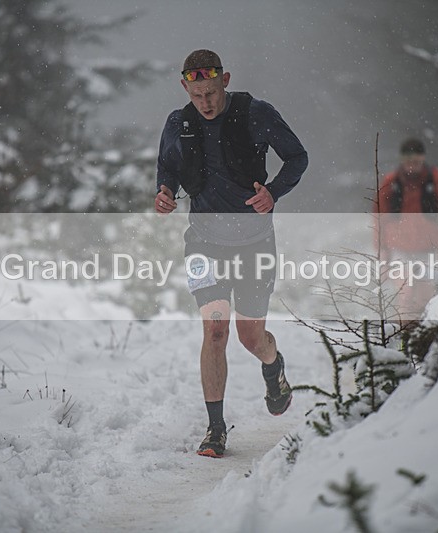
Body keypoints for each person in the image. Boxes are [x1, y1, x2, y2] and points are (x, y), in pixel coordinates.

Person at [155, 49, 308, 458]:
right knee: (215, 330)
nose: (204, 102)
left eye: (210, 92)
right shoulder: (178, 122)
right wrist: (165, 192)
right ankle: (216, 429)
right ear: (185, 87)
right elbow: (167, 169)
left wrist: (273, 192)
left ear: (225, 81)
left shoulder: (256, 113)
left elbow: (297, 157)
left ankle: (273, 367)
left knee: (250, 336)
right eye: (196, 94)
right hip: (204, 241)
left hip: (255, 242)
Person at [375, 137, 438, 320]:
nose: (411, 166)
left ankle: (423, 340)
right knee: (405, 295)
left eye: (415, 161)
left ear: (422, 159)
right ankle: (404, 339)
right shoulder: (390, 184)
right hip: (398, 250)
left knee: (426, 298)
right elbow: (378, 220)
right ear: (401, 160)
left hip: (429, 250)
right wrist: (381, 252)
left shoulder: (437, 183)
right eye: (408, 161)